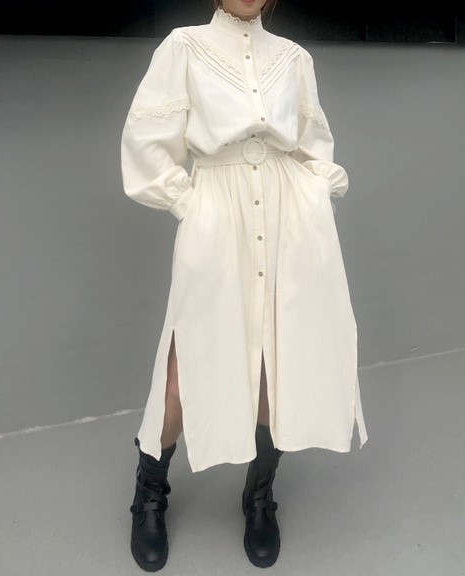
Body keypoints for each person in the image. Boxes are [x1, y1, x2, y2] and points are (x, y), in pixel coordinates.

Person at [120, 0, 369, 571]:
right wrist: (190, 204)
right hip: (217, 208)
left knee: (272, 368)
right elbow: (145, 141)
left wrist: (315, 188)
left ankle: (259, 495)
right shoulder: (184, 47)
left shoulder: (294, 58)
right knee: (182, 372)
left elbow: (311, 143)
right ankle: (149, 494)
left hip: (289, 217)